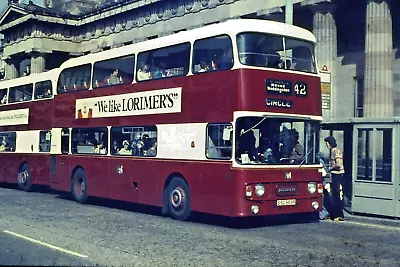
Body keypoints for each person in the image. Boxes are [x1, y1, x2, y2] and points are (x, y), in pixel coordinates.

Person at [324, 136, 345, 221]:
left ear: (330, 143)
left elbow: (338, 164)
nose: (326, 145)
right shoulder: (336, 150)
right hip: (337, 175)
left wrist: (330, 168)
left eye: (327, 143)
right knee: (335, 195)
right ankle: (337, 214)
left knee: (335, 196)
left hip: (337, 174)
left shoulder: (334, 151)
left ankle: (338, 215)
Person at [318, 152, 331, 220]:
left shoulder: (319, 161)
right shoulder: (321, 161)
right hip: (322, 181)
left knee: (321, 197)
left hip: (321, 181)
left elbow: (324, 172)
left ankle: (323, 213)